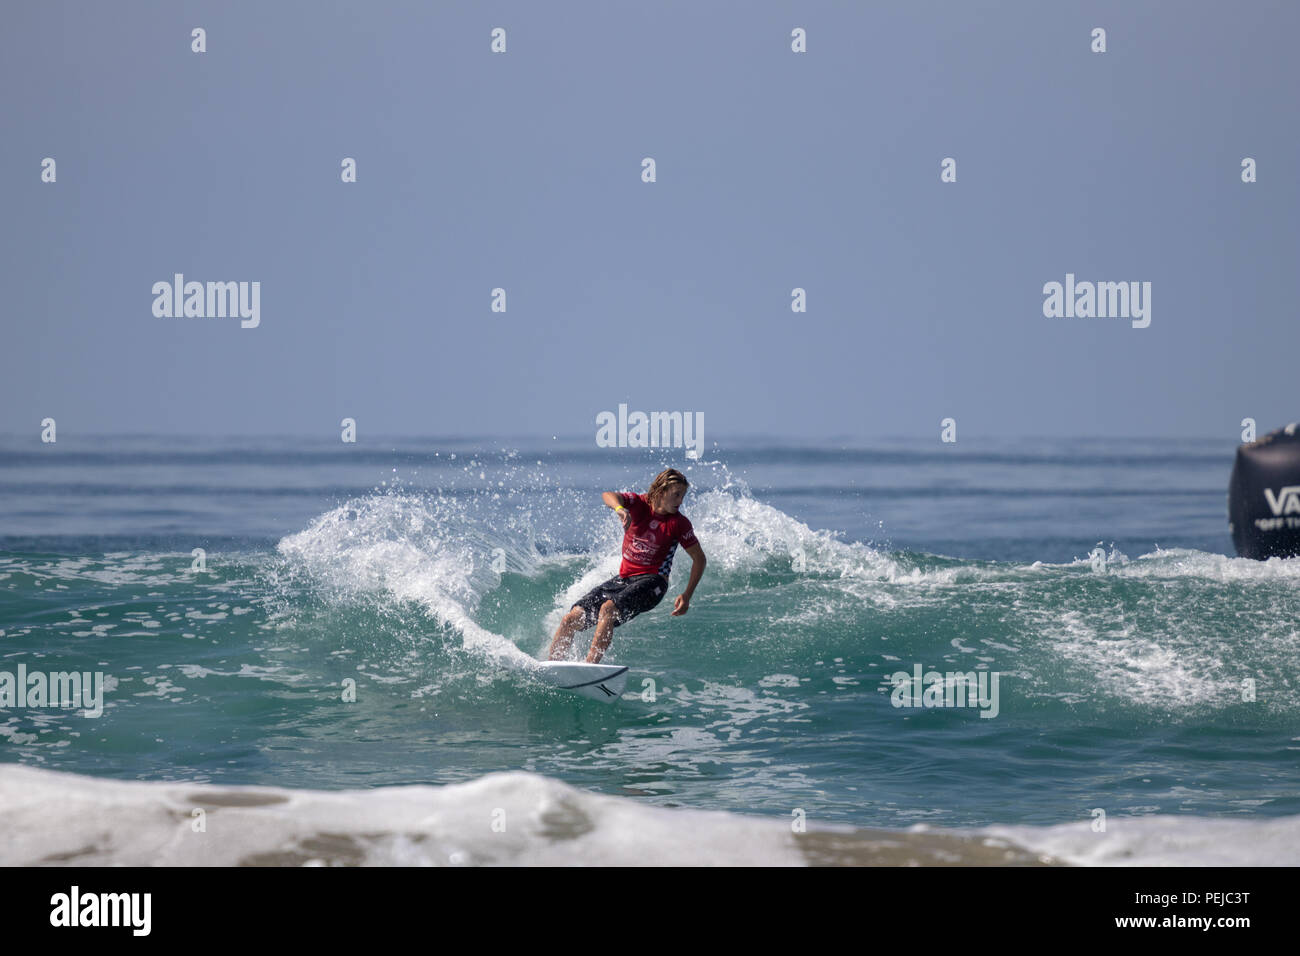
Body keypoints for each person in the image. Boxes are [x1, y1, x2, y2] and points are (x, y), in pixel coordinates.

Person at [547, 468, 706, 663]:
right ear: (661, 491)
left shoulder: (679, 523)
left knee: (608, 609)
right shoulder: (639, 503)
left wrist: (687, 595)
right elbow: (608, 495)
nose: (680, 501)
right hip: (623, 580)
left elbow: (699, 559)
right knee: (571, 619)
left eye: (682, 495)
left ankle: (589, 667)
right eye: (676, 495)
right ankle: (553, 666)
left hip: (653, 582)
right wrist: (620, 509)